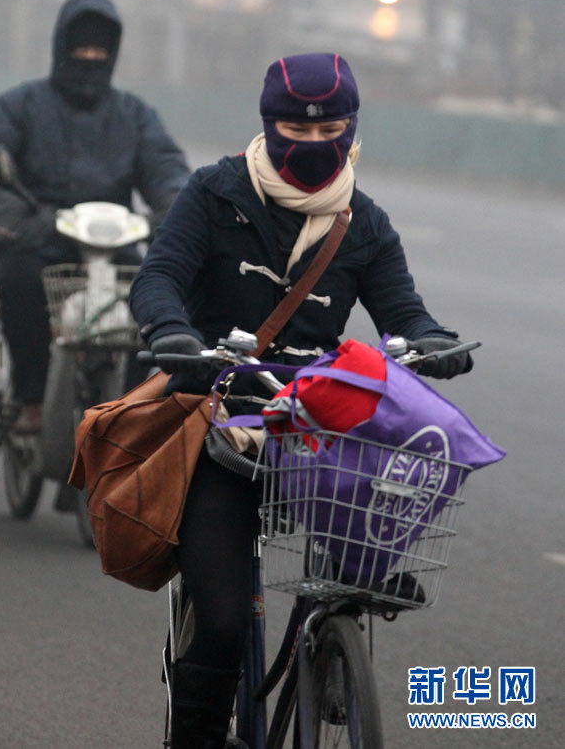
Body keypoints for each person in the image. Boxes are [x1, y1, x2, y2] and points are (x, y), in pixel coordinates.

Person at [129, 52, 473, 748]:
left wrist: (435, 341)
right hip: (219, 426)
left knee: (362, 548)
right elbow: (159, 277)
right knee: (222, 625)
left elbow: (404, 312)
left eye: (332, 129)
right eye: (294, 126)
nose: (313, 143)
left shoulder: (363, 222)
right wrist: (170, 330)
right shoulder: (214, 194)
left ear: (351, 128)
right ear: (267, 121)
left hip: (312, 431)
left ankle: (333, 640)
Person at [0, 0, 190, 436]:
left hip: (115, 242)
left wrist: (171, 211)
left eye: (99, 49)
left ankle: (124, 409)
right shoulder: (22, 104)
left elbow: (168, 170)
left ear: (113, 53)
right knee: (21, 284)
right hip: (36, 234)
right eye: (81, 47)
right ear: (61, 47)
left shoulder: (135, 115)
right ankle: (31, 398)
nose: (89, 57)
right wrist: (5, 203)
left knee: (152, 299)